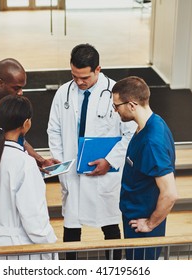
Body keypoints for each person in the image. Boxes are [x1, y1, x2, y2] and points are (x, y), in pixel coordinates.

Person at [47, 43, 137, 259]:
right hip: (72, 174)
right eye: (74, 75)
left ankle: (114, 268)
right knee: (71, 229)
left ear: (98, 69)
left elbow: (130, 134)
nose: (78, 82)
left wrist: (110, 160)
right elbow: (54, 129)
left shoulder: (117, 93)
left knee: (110, 227)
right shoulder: (63, 93)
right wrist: (61, 164)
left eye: (84, 77)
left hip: (103, 174)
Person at [0, 95, 57, 260]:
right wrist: (50, 244)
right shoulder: (25, 163)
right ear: (26, 123)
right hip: (23, 248)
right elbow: (34, 217)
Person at [112, 76, 178, 260]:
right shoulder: (151, 123)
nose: (115, 110)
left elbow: (170, 193)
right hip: (134, 216)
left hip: (141, 225)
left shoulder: (151, 141)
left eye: (116, 106)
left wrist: (149, 224)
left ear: (131, 105)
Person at [0, 57, 58, 172]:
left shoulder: (9, 106)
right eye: (16, 88)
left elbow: (18, 139)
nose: (21, 92)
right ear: (0, 83)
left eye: (22, 87)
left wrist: (40, 160)